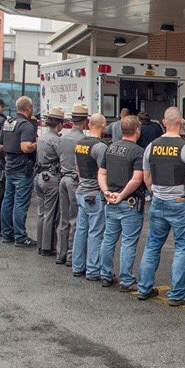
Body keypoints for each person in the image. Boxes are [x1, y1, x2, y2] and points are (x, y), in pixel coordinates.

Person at [137, 107, 185, 306]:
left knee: (152, 246)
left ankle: (144, 288)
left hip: (158, 201)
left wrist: (155, 193)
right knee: (182, 248)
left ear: (164, 123)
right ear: (181, 122)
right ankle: (176, 295)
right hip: (180, 203)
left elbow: (146, 177)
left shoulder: (151, 146)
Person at [98, 115, 146, 291]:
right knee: (128, 242)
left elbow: (101, 173)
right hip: (128, 202)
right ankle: (126, 280)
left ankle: (106, 275)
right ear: (137, 130)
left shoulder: (110, 148)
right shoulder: (138, 151)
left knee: (108, 239)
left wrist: (106, 192)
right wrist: (122, 195)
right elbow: (137, 179)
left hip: (110, 200)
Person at [0, 96, 38, 247]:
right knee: (20, 203)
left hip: (10, 166)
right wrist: (36, 144)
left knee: (8, 200)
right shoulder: (26, 125)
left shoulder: (8, 122)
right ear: (29, 108)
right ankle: (20, 237)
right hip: (22, 168)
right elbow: (26, 147)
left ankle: (6, 234)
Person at [72, 113, 108, 280]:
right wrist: (105, 191)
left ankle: (77, 265)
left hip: (81, 191)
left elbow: (78, 168)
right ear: (103, 125)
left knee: (81, 230)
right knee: (95, 232)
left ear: (89, 125)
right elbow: (103, 173)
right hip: (94, 192)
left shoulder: (80, 143)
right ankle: (93, 270)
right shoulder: (100, 147)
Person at [55, 103, 89, 265]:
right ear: (85, 121)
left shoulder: (62, 138)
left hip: (63, 178)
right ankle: (71, 255)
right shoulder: (82, 140)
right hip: (74, 180)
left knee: (64, 218)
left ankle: (61, 253)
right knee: (75, 219)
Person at [34, 107, 66, 256]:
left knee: (42, 212)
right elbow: (63, 158)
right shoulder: (56, 140)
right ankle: (48, 246)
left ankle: (41, 244)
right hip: (51, 177)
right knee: (51, 214)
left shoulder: (41, 137)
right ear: (59, 124)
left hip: (39, 176)